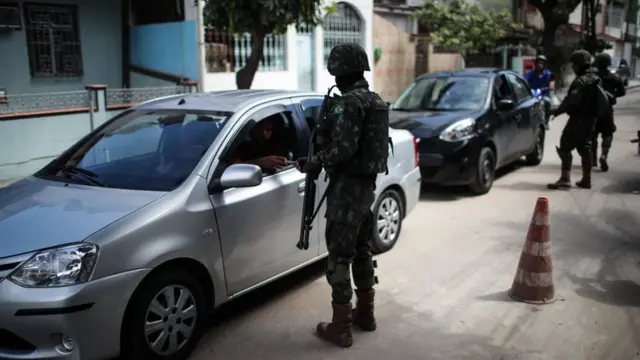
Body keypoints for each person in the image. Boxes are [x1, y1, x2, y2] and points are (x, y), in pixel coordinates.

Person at [296, 43, 389, 347]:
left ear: (340, 72)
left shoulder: (349, 103)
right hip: (366, 191)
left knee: (339, 259)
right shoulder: (374, 101)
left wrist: (316, 160)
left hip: (347, 193)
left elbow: (344, 149)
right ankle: (366, 314)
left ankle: (341, 327)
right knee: (362, 252)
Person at [547, 50, 601, 190]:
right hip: (591, 120)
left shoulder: (580, 81)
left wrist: (557, 111)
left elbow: (571, 102)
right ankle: (586, 179)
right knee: (585, 147)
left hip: (578, 120)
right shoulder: (596, 79)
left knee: (565, 145)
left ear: (579, 65)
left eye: (574, 65)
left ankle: (565, 179)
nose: (572, 67)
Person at [592, 53, 626, 172]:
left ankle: (593, 159)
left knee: (592, 134)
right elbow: (622, 92)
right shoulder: (615, 77)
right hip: (607, 110)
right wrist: (611, 96)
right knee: (608, 133)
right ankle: (604, 155)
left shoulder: (592, 76)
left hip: (593, 110)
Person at [525, 55, 555, 128]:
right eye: (538, 63)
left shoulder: (548, 74)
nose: (540, 65)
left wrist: (550, 86)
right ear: (535, 64)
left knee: (547, 102)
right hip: (532, 94)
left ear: (545, 65)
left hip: (544, 94)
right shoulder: (530, 74)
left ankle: (546, 121)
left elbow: (552, 83)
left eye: (542, 63)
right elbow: (525, 81)